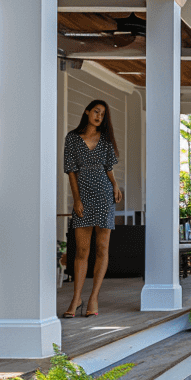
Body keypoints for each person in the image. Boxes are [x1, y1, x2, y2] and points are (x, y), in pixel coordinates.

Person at [63, 99, 122, 318]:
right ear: (87, 111)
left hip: (105, 195)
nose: (99, 116)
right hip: (83, 197)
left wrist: (115, 185)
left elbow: (109, 168)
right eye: (96, 112)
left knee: (102, 249)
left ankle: (94, 297)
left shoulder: (106, 139)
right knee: (81, 251)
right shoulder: (72, 138)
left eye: (103, 114)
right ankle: (76, 298)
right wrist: (76, 200)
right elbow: (71, 171)